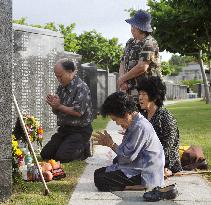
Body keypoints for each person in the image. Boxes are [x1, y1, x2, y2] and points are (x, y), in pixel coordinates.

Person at [93, 91, 165, 191]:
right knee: (99, 172)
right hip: (138, 166)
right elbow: (124, 152)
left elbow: (126, 158)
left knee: (100, 179)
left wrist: (111, 144)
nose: (117, 124)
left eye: (115, 120)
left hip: (146, 174)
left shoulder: (139, 127)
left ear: (126, 114)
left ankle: (137, 186)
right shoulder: (134, 122)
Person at [40, 59, 93, 162]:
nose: (58, 79)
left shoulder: (81, 87)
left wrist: (59, 106)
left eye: (60, 76)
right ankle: (68, 145)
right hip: (65, 129)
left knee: (62, 157)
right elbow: (57, 111)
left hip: (80, 130)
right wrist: (54, 105)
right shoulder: (61, 88)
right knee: (46, 154)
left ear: (70, 71)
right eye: (56, 76)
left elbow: (78, 112)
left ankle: (85, 147)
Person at [137, 76, 182, 173]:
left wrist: (165, 167)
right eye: (139, 94)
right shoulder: (143, 115)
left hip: (166, 163)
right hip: (147, 158)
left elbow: (168, 148)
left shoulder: (166, 118)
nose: (140, 97)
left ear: (154, 97)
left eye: (144, 94)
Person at [118, 9, 161, 102]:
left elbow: (142, 67)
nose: (131, 29)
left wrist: (122, 79)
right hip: (130, 92)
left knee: (147, 116)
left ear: (142, 28)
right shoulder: (130, 42)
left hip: (147, 93)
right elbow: (122, 62)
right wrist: (123, 80)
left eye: (134, 26)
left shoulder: (149, 42)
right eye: (131, 25)